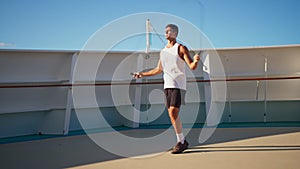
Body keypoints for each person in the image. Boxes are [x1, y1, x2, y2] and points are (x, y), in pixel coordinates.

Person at [133, 24, 200, 154]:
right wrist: (141, 74)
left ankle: (181, 142)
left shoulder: (180, 48)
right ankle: (182, 141)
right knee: (171, 113)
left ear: (175, 33)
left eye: (169, 31)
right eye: (165, 31)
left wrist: (196, 60)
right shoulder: (163, 51)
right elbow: (158, 69)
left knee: (173, 112)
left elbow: (191, 66)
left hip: (178, 85)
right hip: (167, 86)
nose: (166, 33)